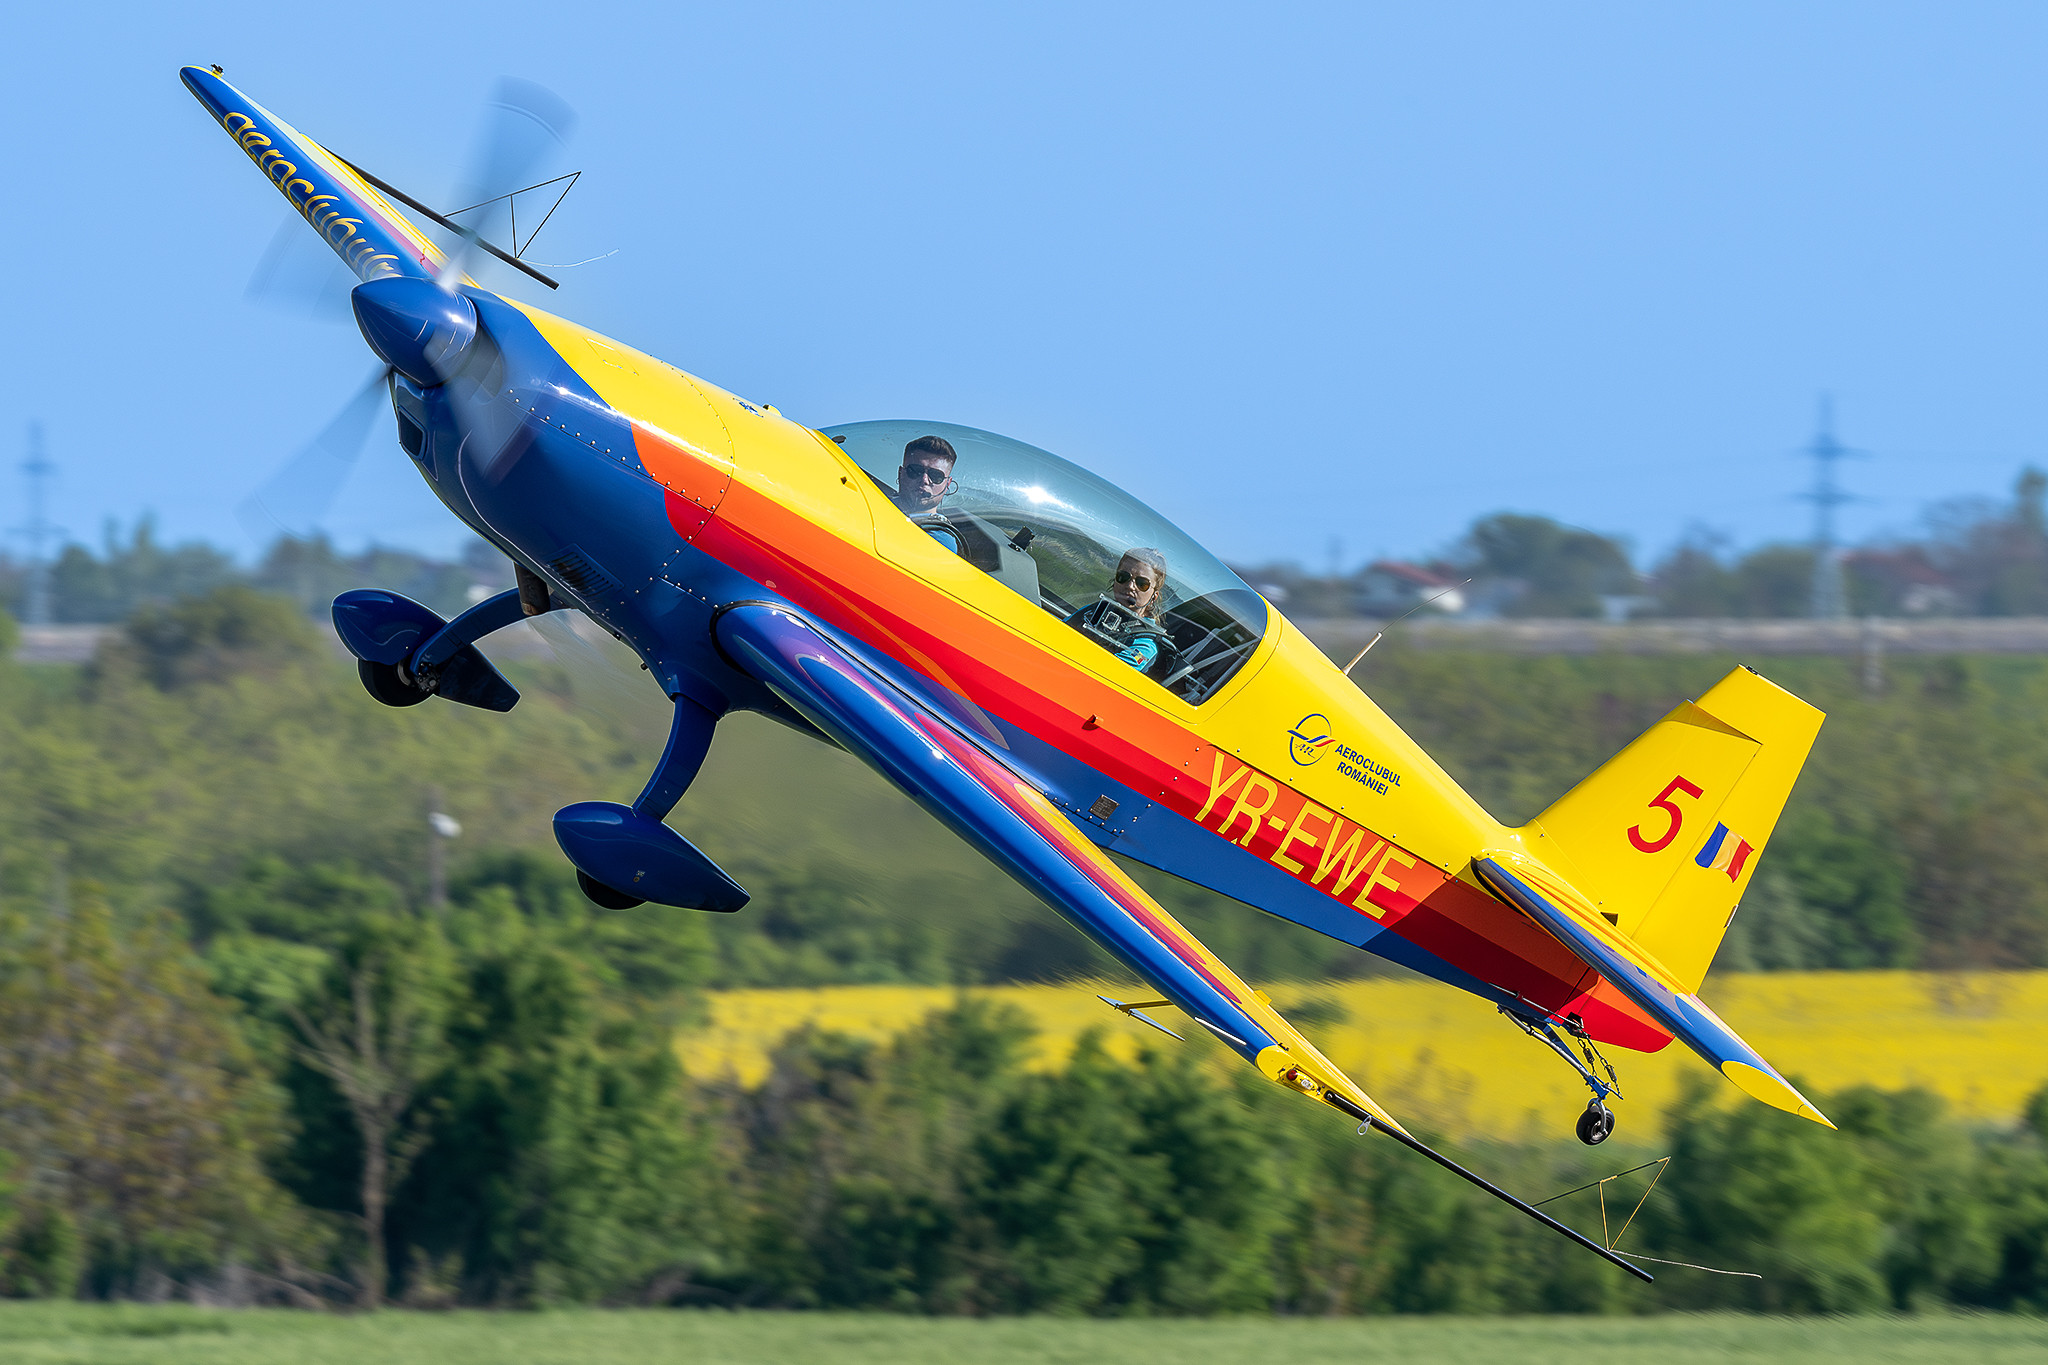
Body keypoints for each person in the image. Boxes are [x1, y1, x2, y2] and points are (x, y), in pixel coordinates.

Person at [1071, 548, 1171, 672]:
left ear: (1154, 596)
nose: (1130, 586)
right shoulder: (1099, 609)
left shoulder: (1145, 643)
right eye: (1123, 576)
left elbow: (1110, 673)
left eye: (1142, 584)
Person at [891, 435, 962, 553]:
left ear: (947, 484)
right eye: (915, 470)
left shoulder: (940, 539)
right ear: (900, 473)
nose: (924, 480)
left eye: (936, 476)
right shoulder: (876, 501)